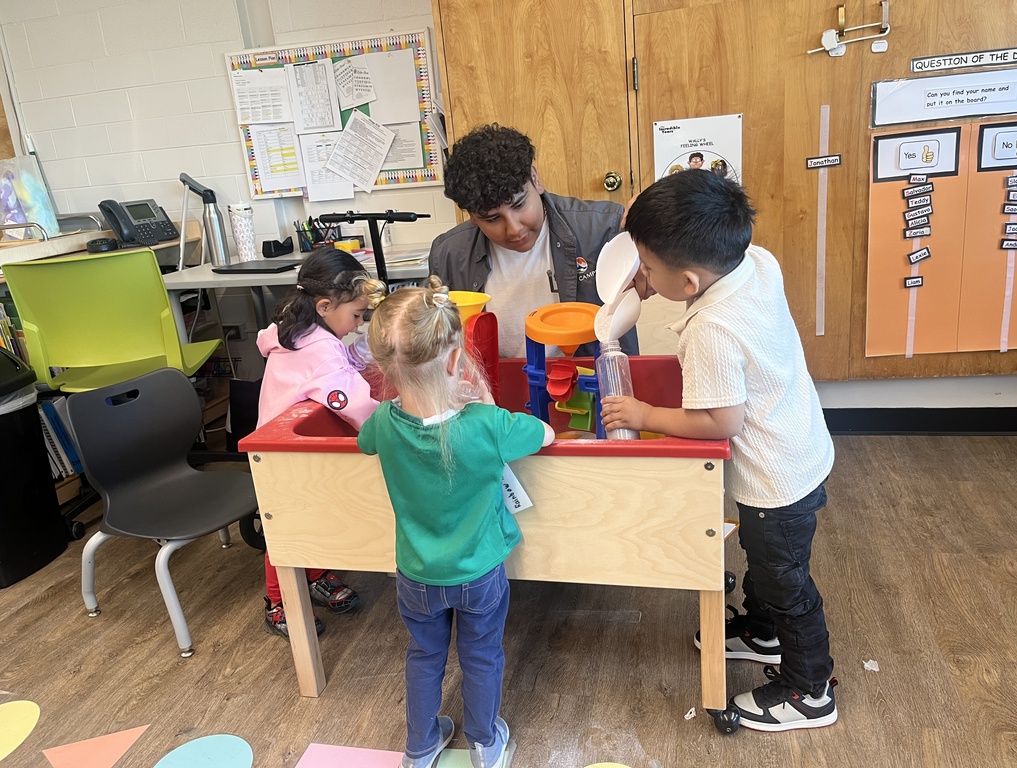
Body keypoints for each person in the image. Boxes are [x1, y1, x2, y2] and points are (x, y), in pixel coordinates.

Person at [602, 169, 836, 732]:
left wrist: (645, 416)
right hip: (801, 444)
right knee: (766, 559)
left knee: (786, 580)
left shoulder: (711, 329)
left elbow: (721, 419)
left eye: (648, 269)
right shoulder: (757, 260)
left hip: (774, 479)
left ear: (687, 282)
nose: (643, 277)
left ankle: (810, 687)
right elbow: (688, 255)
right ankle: (762, 630)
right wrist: (643, 269)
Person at [358, 277, 554, 767]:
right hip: (480, 574)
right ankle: (485, 743)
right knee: (481, 655)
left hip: (415, 576)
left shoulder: (382, 422)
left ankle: (420, 747)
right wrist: (480, 400)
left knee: (424, 656)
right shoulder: (487, 425)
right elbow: (543, 432)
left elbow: (365, 441)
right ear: (454, 361)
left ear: (384, 366)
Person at [255, 245, 386, 638]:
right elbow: (354, 402)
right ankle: (278, 602)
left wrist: (367, 347)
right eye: (358, 315)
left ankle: (313, 574)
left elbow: (342, 359)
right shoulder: (320, 352)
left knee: (313, 515)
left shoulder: (298, 327)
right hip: (281, 456)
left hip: (283, 448)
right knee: (286, 526)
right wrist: (394, 426)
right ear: (326, 305)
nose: (360, 323)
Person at [429, 123, 638, 358]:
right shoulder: (448, 255)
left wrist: (662, 217)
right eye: (492, 219)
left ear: (535, 179)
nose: (514, 229)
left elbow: (680, 269)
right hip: (495, 389)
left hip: (597, 384)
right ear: (472, 216)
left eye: (519, 205)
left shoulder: (604, 228)